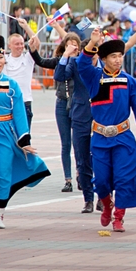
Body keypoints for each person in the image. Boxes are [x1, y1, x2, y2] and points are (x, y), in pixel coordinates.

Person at [0, 31, 50, 228]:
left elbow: (20, 114)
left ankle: (0, 214)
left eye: (0, 58)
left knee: (3, 173)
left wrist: (25, 141)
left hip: (5, 133)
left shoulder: (13, 85)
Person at [77, 28, 136, 232]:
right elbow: (82, 64)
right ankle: (106, 205)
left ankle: (119, 216)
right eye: (113, 56)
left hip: (123, 138)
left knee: (124, 178)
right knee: (101, 180)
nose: (118, 60)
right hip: (100, 138)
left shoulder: (130, 82)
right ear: (103, 59)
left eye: (120, 56)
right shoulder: (94, 77)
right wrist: (92, 43)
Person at [50, 21, 96, 214]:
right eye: (89, 53)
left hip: (102, 118)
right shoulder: (76, 65)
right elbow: (59, 76)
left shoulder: (106, 67)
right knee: (82, 159)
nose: (92, 58)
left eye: (95, 54)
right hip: (80, 115)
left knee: (101, 159)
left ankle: (103, 195)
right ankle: (88, 199)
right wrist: (66, 56)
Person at [49, 33, 82, 193]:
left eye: (75, 44)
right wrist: (66, 56)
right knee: (66, 144)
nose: (73, 47)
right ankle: (67, 179)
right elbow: (56, 74)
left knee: (78, 143)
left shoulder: (82, 61)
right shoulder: (61, 62)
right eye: (69, 45)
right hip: (62, 103)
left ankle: (80, 175)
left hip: (77, 105)